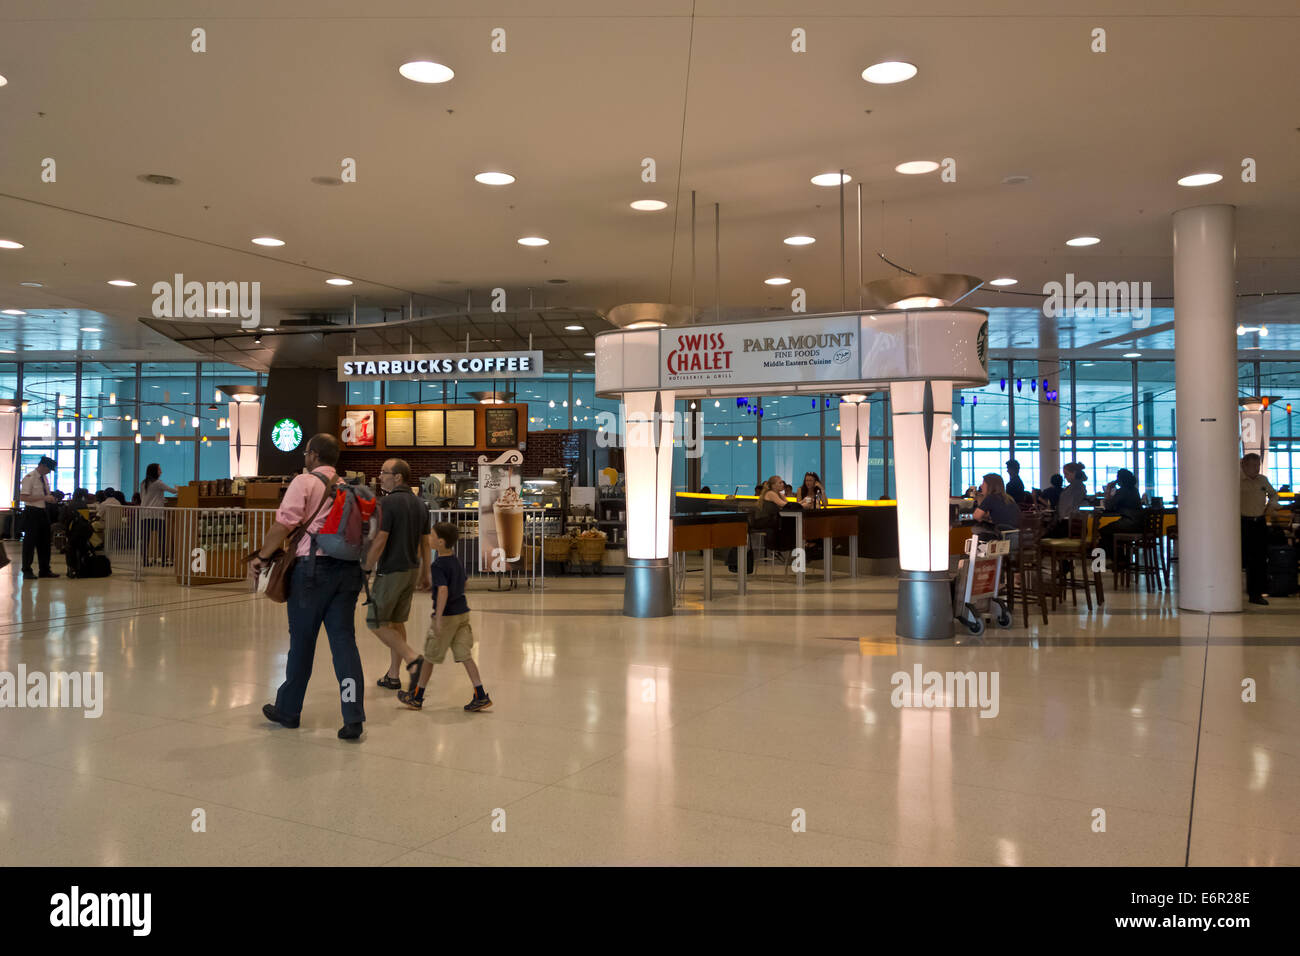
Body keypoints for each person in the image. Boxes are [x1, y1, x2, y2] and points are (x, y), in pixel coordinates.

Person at [252, 433, 367, 740]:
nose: (305, 457)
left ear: (314, 455)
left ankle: (288, 710)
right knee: (344, 643)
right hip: (348, 571)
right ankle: (353, 716)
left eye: (306, 453)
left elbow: (284, 524)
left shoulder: (304, 482)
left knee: (302, 643)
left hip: (312, 571)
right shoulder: (347, 486)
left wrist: (262, 557)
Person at [398, 522, 492, 712]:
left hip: (447, 616)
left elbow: (442, 590)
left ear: (440, 542)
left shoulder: (438, 565)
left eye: (432, 535)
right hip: (462, 613)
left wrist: (438, 618)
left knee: (430, 657)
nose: (429, 538)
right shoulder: (456, 561)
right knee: (466, 656)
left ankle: (417, 697)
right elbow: (464, 583)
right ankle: (480, 694)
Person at [363, 459, 432, 691]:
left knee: (375, 622)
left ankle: (413, 659)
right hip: (411, 570)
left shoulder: (388, 503)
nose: (380, 477)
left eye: (384, 473)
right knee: (396, 622)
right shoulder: (421, 505)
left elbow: (381, 539)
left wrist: (366, 568)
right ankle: (393, 675)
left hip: (391, 570)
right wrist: (426, 573)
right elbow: (425, 543)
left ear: (398, 477)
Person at [1240, 452, 1279, 606]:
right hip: (1242, 523)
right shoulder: (1236, 480)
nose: (1256, 469)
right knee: (1242, 559)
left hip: (1259, 523)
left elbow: (1274, 494)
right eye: (1253, 465)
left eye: (1258, 465)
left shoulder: (1262, 480)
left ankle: (1256, 594)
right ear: (1244, 465)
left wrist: (1271, 505)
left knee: (1259, 560)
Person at [19, 456, 60, 580]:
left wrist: (51, 499)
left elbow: (45, 495)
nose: (49, 472)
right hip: (32, 512)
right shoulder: (29, 478)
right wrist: (43, 498)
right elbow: (23, 497)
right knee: (30, 543)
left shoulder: (44, 478)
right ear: (42, 466)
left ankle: (44, 569)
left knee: (45, 542)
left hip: (43, 512)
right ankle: (27, 570)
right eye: (48, 469)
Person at [1098, 468, 1142, 559]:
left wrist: (1108, 489)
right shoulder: (1135, 490)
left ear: (1121, 480)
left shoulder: (1122, 491)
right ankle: (1120, 557)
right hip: (1139, 524)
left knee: (1104, 530)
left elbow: (1109, 507)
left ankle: (1117, 558)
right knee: (1112, 531)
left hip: (1129, 523)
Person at [139, 464, 177, 566]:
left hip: (145, 514)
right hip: (157, 515)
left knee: (145, 539)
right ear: (155, 471)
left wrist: (160, 499)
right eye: (159, 469)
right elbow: (173, 491)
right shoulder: (158, 483)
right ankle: (164, 561)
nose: (161, 471)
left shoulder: (143, 483)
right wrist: (179, 488)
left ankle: (145, 561)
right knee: (162, 539)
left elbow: (144, 497)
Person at [972, 473, 1021, 537]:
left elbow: (976, 516)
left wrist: (979, 498)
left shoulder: (991, 498)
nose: (981, 486)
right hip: (1017, 534)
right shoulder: (1009, 498)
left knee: (975, 529)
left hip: (1003, 535)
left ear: (990, 486)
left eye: (983, 483)